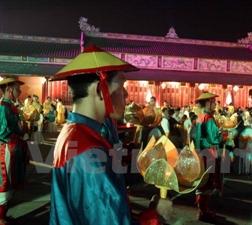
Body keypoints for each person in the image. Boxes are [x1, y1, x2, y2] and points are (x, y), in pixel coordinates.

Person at [49, 45, 173, 225]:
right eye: (121, 85)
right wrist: (156, 216)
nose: (126, 93)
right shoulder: (87, 149)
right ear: (100, 90)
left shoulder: (76, 133)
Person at [194, 91, 227, 223]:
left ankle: (202, 210)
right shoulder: (208, 118)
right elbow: (214, 138)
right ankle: (204, 211)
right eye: (214, 103)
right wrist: (223, 134)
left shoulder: (200, 117)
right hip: (209, 154)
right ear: (208, 103)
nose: (215, 105)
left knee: (201, 182)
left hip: (201, 152)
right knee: (206, 183)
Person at [0, 77, 28, 224]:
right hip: (7, 148)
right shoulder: (3, 108)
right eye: (17, 88)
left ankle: (3, 214)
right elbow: (2, 132)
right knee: (5, 180)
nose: (20, 91)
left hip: (14, 147)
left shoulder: (12, 106)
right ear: (9, 89)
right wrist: (17, 137)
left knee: (12, 181)